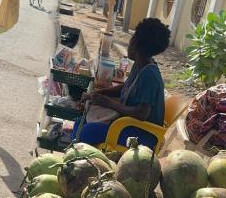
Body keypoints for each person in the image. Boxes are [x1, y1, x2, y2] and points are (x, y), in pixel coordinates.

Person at [73, 18, 170, 148]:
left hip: (143, 135)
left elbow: (141, 114)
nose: (129, 43)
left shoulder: (149, 75)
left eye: (132, 38)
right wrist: (95, 94)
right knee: (80, 122)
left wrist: (108, 103)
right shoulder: (141, 64)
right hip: (130, 126)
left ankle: (79, 157)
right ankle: (75, 153)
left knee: (88, 131)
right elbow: (125, 87)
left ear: (136, 44)